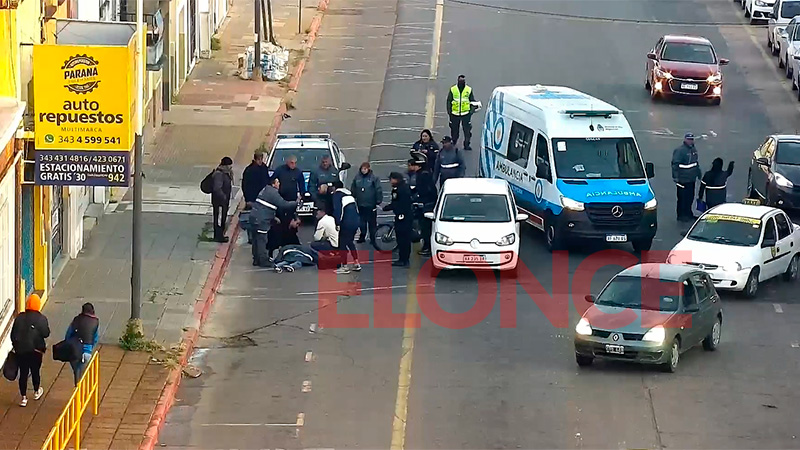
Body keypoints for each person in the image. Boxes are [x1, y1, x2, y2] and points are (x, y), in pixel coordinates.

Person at [10, 294, 50, 407]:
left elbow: (13, 335)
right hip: (36, 351)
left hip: (21, 351)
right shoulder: (41, 318)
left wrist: (16, 346)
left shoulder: (19, 317)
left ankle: (23, 398)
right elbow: (46, 333)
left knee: (23, 373)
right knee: (35, 371)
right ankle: (36, 391)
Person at [251, 177, 298, 267]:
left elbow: (266, 206)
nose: (279, 184)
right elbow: (283, 204)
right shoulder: (273, 192)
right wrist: (296, 203)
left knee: (256, 239)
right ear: (273, 184)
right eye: (277, 182)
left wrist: (274, 217)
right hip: (261, 220)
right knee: (262, 240)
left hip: (254, 217)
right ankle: (263, 260)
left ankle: (256, 259)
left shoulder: (265, 190)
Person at [408, 157, 437, 256]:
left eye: (415, 165)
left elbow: (424, 190)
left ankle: (427, 247)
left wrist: (417, 197)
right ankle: (426, 245)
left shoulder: (422, 176)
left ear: (419, 166)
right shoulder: (424, 173)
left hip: (427, 204)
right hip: (427, 202)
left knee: (425, 227)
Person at [65, 302, 99, 386]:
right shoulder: (95, 322)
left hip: (74, 349)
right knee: (82, 369)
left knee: (76, 369)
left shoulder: (76, 320)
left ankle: (77, 385)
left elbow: (68, 335)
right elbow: (95, 339)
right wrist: (89, 348)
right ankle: (79, 387)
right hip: (87, 352)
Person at [383, 172, 413, 267]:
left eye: (391, 179)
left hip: (402, 216)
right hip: (407, 215)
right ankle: (405, 259)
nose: (390, 181)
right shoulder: (405, 187)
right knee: (406, 239)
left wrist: (387, 207)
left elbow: (397, 203)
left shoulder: (398, 190)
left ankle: (403, 259)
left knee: (402, 238)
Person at [671, 133, 702, 222]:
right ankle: (681, 215)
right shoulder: (680, 151)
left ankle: (688, 213)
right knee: (682, 198)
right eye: (689, 139)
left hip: (691, 179)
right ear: (685, 140)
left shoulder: (693, 150)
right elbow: (675, 164)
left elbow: (696, 163)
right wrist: (676, 177)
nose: (690, 141)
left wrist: (699, 174)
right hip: (683, 179)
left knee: (690, 197)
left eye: (692, 139)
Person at [332, 181, 361, 274]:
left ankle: (344, 266)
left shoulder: (337, 195)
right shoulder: (349, 195)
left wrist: (337, 223)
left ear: (334, 187)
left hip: (346, 222)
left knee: (342, 244)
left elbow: (338, 211)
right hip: (355, 221)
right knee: (350, 242)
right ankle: (356, 262)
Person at [242, 151, 271, 244]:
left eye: (261, 159)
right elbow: (245, 185)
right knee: (251, 217)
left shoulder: (264, 168)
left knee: (262, 217)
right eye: (258, 159)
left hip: (263, 197)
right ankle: (251, 236)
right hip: (252, 197)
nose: (260, 161)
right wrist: (247, 199)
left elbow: (267, 181)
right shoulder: (249, 170)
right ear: (255, 159)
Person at [351, 162, 382, 244]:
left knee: (372, 223)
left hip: (371, 204)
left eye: (365, 169)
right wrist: (353, 195)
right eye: (362, 169)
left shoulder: (374, 178)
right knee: (362, 222)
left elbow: (378, 189)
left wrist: (378, 200)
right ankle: (362, 236)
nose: (363, 170)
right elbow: (353, 187)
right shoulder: (357, 177)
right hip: (361, 204)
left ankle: (373, 238)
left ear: (368, 169)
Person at [446, 75, 476, 150]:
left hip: (466, 114)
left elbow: (472, 101)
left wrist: (471, 112)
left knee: (467, 131)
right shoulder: (453, 89)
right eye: (460, 80)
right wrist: (450, 112)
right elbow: (449, 101)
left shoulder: (468, 90)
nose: (462, 82)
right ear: (458, 81)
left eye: (463, 81)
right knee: (454, 130)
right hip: (455, 114)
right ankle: (454, 142)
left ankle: (466, 144)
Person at [211, 157, 234, 243]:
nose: (231, 167)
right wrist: (224, 197)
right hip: (219, 200)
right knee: (218, 218)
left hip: (224, 200)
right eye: (229, 165)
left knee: (222, 218)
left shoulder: (226, 173)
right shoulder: (219, 174)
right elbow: (217, 188)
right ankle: (218, 235)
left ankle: (221, 235)